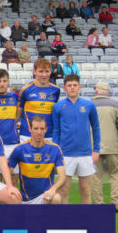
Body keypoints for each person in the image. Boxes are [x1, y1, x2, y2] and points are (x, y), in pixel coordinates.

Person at [52, 74, 100, 205]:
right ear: (64, 88)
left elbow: (95, 128)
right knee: (64, 190)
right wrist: (57, 152)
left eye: (74, 85)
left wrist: (96, 150)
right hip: (65, 154)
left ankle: (86, 220)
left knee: (85, 190)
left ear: (79, 86)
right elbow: (56, 131)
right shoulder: (58, 107)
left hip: (85, 154)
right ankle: (65, 221)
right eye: (69, 85)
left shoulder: (89, 105)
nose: (72, 88)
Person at [8, 116, 65, 204]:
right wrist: (11, 186)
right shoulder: (20, 149)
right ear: (30, 129)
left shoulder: (55, 149)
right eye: (36, 129)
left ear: (46, 129)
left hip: (45, 197)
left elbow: (62, 177)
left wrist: (52, 190)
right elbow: (7, 172)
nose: (39, 132)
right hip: (25, 199)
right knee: (12, 197)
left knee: (56, 198)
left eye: (42, 129)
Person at [17, 58, 60, 142]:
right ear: (34, 72)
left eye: (47, 71)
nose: (44, 75)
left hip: (48, 134)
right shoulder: (25, 90)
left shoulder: (56, 90)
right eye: (41, 71)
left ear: (50, 72)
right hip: (27, 134)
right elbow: (18, 114)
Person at [91, 81, 118, 210]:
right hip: (113, 145)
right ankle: (116, 203)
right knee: (115, 174)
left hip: (94, 147)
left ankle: (99, 204)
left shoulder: (89, 104)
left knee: (96, 176)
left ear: (97, 91)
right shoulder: (115, 105)